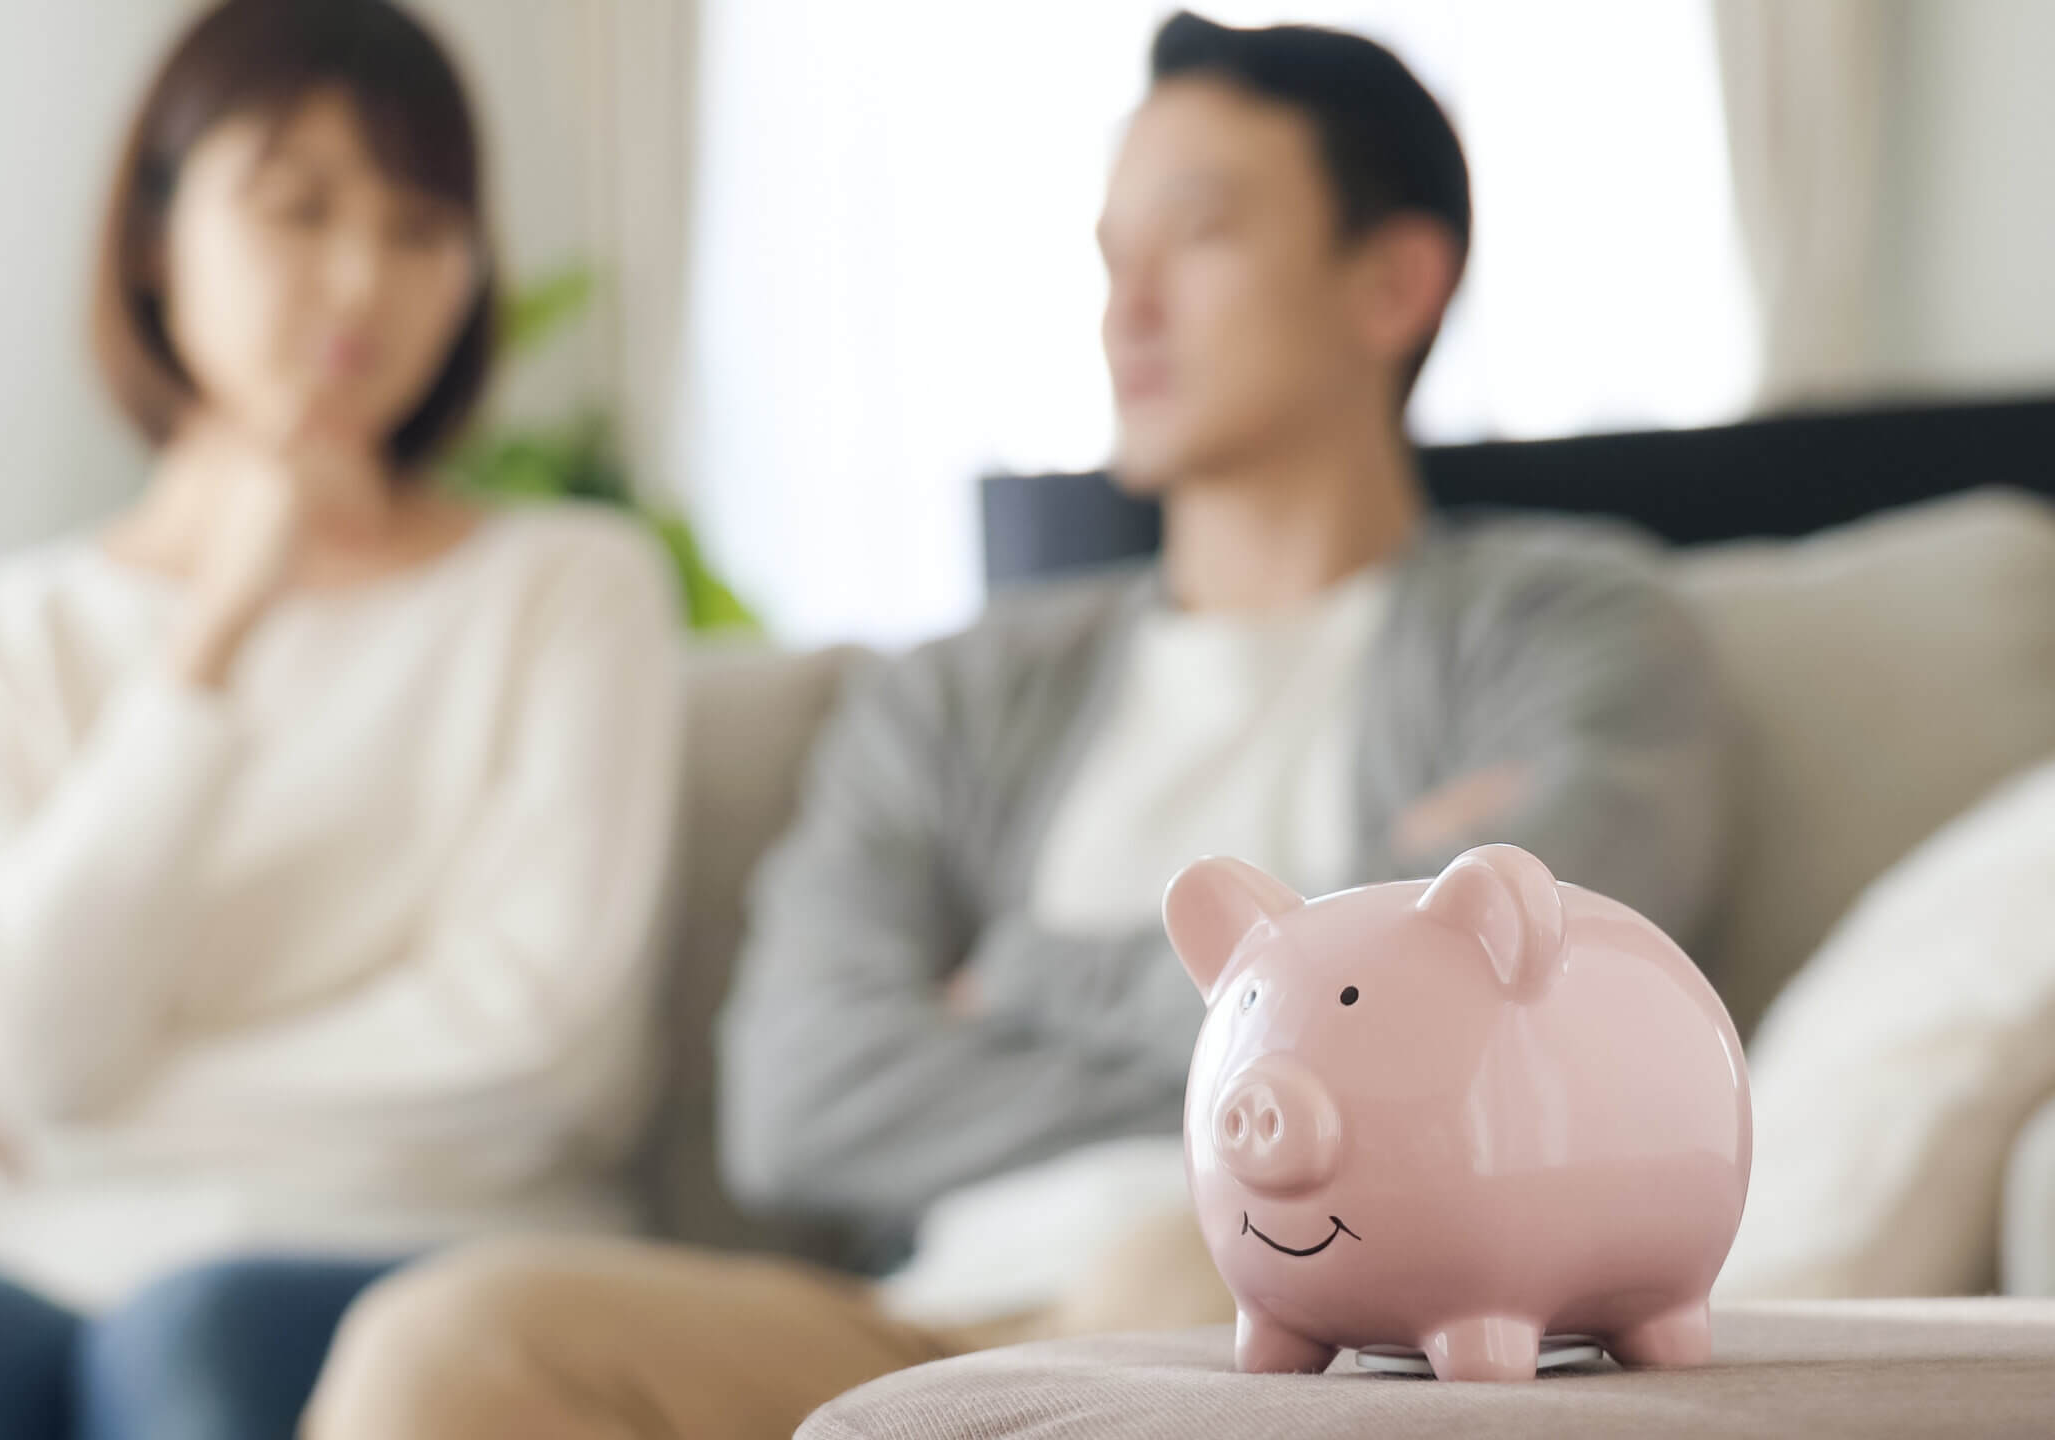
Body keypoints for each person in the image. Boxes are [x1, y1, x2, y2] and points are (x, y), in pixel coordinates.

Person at [298, 13, 1729, 1439]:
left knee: (1179, 1268)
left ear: (1394, 282)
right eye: (1111, 258)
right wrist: (1294, 1029)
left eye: (1197, 237)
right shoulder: (956, 692)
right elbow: (799, 1101)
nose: (1127, 309)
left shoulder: (1574, 628)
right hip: (915, 1327)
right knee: (449, 1342)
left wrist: (1010, 979)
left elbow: (1515, 1021)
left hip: (1292, 1313)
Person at [0, 2, 683, 1437]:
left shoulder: (570, 589)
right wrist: (212, 638)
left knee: (196, 1340)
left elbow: (542, 1054)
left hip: (427, 1259)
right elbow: (13, 1036)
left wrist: (66, 1118)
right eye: (299, 210)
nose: (362, 278)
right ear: (153, 238)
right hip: (40, 1262)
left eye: (423, 227)